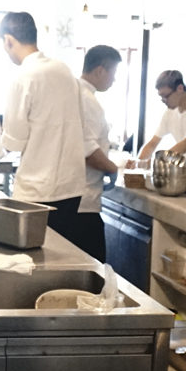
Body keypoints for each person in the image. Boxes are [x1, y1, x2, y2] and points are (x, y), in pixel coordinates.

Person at [0, 11, 86, 242]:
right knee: (64, 256)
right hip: (71, 187)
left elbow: (14, 142)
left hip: (37, 189)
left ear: (8, 40)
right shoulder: (64, 70)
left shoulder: (24, 77)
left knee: (34, 262)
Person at [76, 45, 123, 262]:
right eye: (113, 73)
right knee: (92, 268)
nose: (113, 80)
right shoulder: (87, 100)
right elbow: (89, 151)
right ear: (100, 70)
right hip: (83, 205)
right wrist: (115, 170)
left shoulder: (75, 93)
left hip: (74, 200)